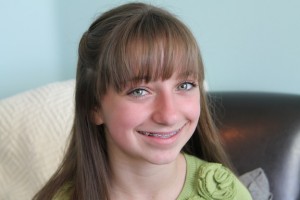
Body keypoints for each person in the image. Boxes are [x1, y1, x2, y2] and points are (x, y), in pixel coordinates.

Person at [33, 2, 252, 200]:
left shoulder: (228, 194)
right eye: (139, 91)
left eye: (184, 86)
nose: (169, 115)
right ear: (95, 106)